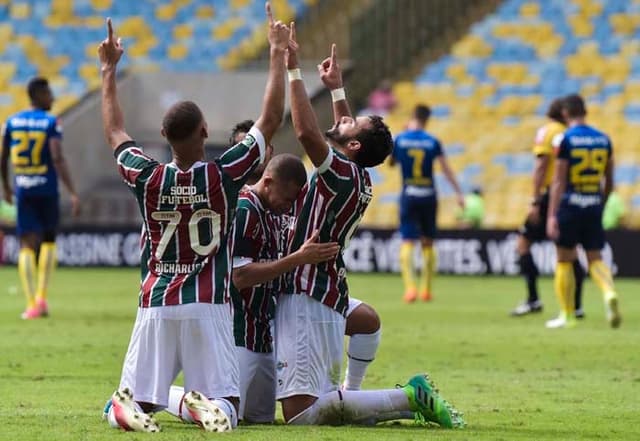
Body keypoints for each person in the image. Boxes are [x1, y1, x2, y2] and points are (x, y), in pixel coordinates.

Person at [99, 6, 289, 432]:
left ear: (163, 137)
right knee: (227, 405)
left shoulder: (146, 176)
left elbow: (115, 132)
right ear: (206, 131)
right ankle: (198, 405)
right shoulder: (224, 176)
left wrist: (109, 70)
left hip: (157, 300)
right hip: (208, 302)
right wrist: (277, 54)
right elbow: (271, 120)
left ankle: (129, 408)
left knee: (133, 398)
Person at [277, 29, 463, 428]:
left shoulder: (341, 173)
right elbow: (346, 131)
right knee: (360, 334)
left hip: (307, 293)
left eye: (350, 122)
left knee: (301, 416)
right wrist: (337, 89)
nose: (342, 119)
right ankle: (361, 397)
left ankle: (408, 398)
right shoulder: (356, 175)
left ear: (354, 147)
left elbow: (308, 133)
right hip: (324, 289)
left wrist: (294, 69)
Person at [1, 77, 80, 319]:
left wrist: (5, 187)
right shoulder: (50, 122)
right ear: (38, 95)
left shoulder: (12, 122)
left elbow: (2, 158)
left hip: (23, 188)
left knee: (25, 244)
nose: (53, 98)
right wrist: (72, 191)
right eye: (49, 94)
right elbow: (57, 157)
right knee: (48, 240)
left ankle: (31, 302)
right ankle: (42, 299)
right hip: (46, 189)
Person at [546, 94, 621, 329]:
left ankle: (567, 315)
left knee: (564, 259)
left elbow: (558, 181)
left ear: (566, 114)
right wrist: (601, 201)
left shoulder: (564, 139)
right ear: (585, 112)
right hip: (593, 203)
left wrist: (551, 214)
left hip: (570, 204)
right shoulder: (603, 139)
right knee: (595, 257)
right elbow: (609, 180)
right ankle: (608, 291)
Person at [510, 98, 585, 318]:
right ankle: (577, 305)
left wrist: (534, 200)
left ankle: (533, 300)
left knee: (523, 244)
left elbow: (541, 166)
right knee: (569, 252)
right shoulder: (571, 134)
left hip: (550, 196)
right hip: (571, 196)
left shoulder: (548, 132)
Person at [390, 104, 464, 303]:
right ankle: (426, 290)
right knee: (428, 242)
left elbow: (391, 162)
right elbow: (446, 169)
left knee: (407, 241)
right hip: (429, 195)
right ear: (427, 119)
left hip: (409, 193)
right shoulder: (432, 142)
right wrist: (458, 192)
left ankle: (410, 288)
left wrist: (402, 134)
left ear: (412, 116)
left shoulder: (401, 139)